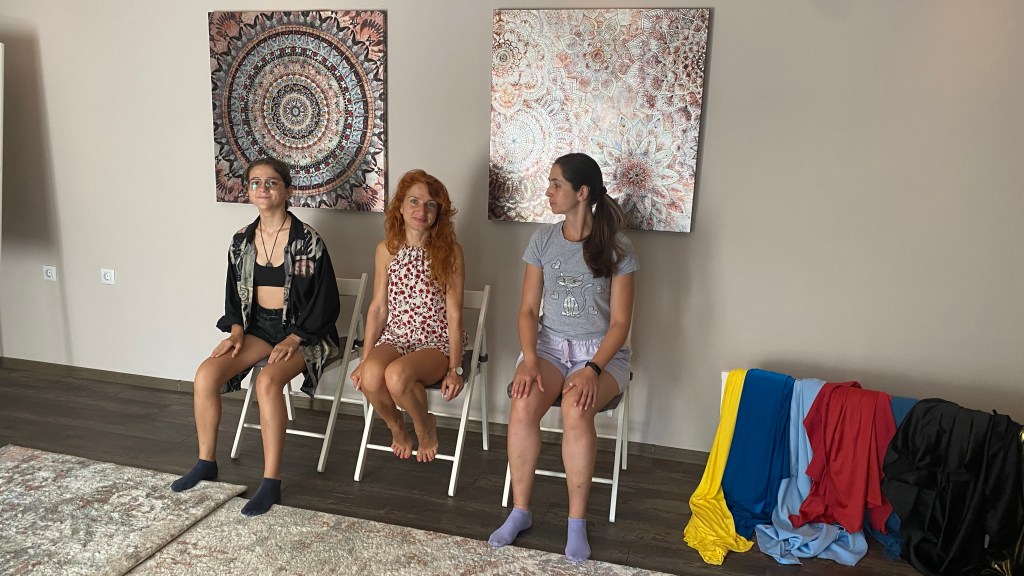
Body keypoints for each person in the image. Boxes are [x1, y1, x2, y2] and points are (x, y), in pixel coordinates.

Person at [488, 153, 638, 562]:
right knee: (522, 404)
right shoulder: (542, 240)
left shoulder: (618, 248)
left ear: (582, 192)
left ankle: (576, 522)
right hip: (549, 347)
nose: (548, 191)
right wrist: (529, 360)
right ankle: (520, 511)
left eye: (556, 184)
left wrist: (593, 369)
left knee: (576, 408)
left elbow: (620, 324)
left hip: (601, 353)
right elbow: (526, 311)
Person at [171, 157, 340, 517]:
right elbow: (234, 295)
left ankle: (270, 481)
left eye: (272, 182)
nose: (263, 188)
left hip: (304, 332)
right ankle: (205, 462)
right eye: (255, 183)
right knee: (206, 374)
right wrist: (235, 331)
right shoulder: (241, 241)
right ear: (248, 191)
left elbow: (325, 304)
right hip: (258, 327)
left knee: (266, 382)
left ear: (287, 190)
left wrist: (294, 338)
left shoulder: (308, 241)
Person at [350, 169, 468, 463]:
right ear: (400, 207)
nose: (421, 210)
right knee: (371, 376)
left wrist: (455, 369)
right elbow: (378, 308)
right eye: (414, 201)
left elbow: (454, 314)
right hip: (397, 336)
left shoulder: (450, 252)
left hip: (435, 341)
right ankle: (396, 427)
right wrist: (364, 359)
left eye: (430, 204)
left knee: (396, 375)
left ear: (438, 213)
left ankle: (424, 426)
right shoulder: (386, 249)